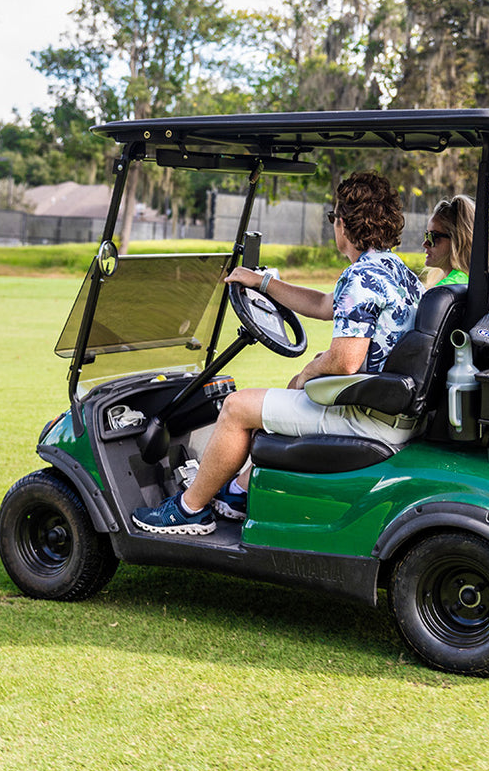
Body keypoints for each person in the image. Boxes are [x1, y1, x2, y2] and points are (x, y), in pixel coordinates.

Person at [131, 172, 424, 535]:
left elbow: (345, 360)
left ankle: (189, 509)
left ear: (346, 223)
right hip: (387, 408)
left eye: (334, 216)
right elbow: (322, 303)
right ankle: (237, 492)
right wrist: (264, 283)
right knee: (281, 396)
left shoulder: (361, 277)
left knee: (238, 407)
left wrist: (307, 372)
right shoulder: (396, 270)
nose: (333, 223)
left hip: (365, 417)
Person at [422, 194, 474, 286]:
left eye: (434, 236)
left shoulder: (445, 287)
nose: (425, 243)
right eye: (427, 235)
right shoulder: (469, 279)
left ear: (457, 241)